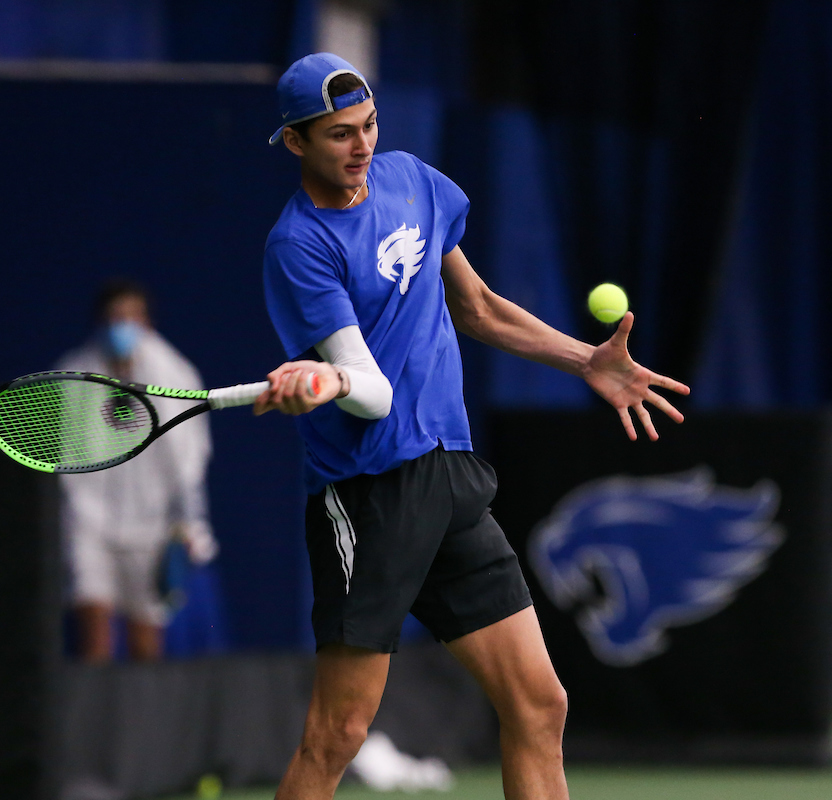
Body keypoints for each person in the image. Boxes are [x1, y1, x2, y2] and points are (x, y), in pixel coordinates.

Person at [253, 53, 691, 800]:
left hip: (450, 475)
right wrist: (322, 382)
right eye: (338, 136)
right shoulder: (300, 246)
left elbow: (478, 307)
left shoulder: (414, 181)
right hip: (370, 494)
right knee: (338, 736)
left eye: (368, 126)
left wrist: (587, 360)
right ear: (296, 143)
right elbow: (372, 394)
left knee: (539, 702)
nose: (361, 147)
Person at [56, 279, 217, 662]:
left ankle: (144, 720)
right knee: (94, 631)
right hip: (89, 523)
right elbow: (62, 460)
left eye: (131, 316)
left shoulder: (175, 376)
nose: (122, 325)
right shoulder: (71, 375)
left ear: (147, 321)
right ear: (100, 322)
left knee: (146, 642)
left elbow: (189, 461)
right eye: (115, 317)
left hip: (153, 526)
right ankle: (93, 721)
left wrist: (191, 521)